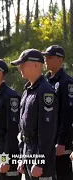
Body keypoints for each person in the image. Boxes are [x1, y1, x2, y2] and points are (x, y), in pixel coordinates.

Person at [11, 49, 58, 180]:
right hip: (28, 151)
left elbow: (48, 130)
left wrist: (39, 161)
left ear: (36, 65)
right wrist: (22, 157)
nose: (20, 68)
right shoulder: (28, 91)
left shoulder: (45, 91)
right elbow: (23, 128)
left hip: (40, 154)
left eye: (23, 64)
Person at [42, 45, 73, 180]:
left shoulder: (66, 82)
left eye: (49, 57)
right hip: (47, 140)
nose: (45, 60)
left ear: (60, 60)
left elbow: (68, 114)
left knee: (62, 174)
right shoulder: (45, 81)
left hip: (60, 143)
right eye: (45, 57)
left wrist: (61, 141)